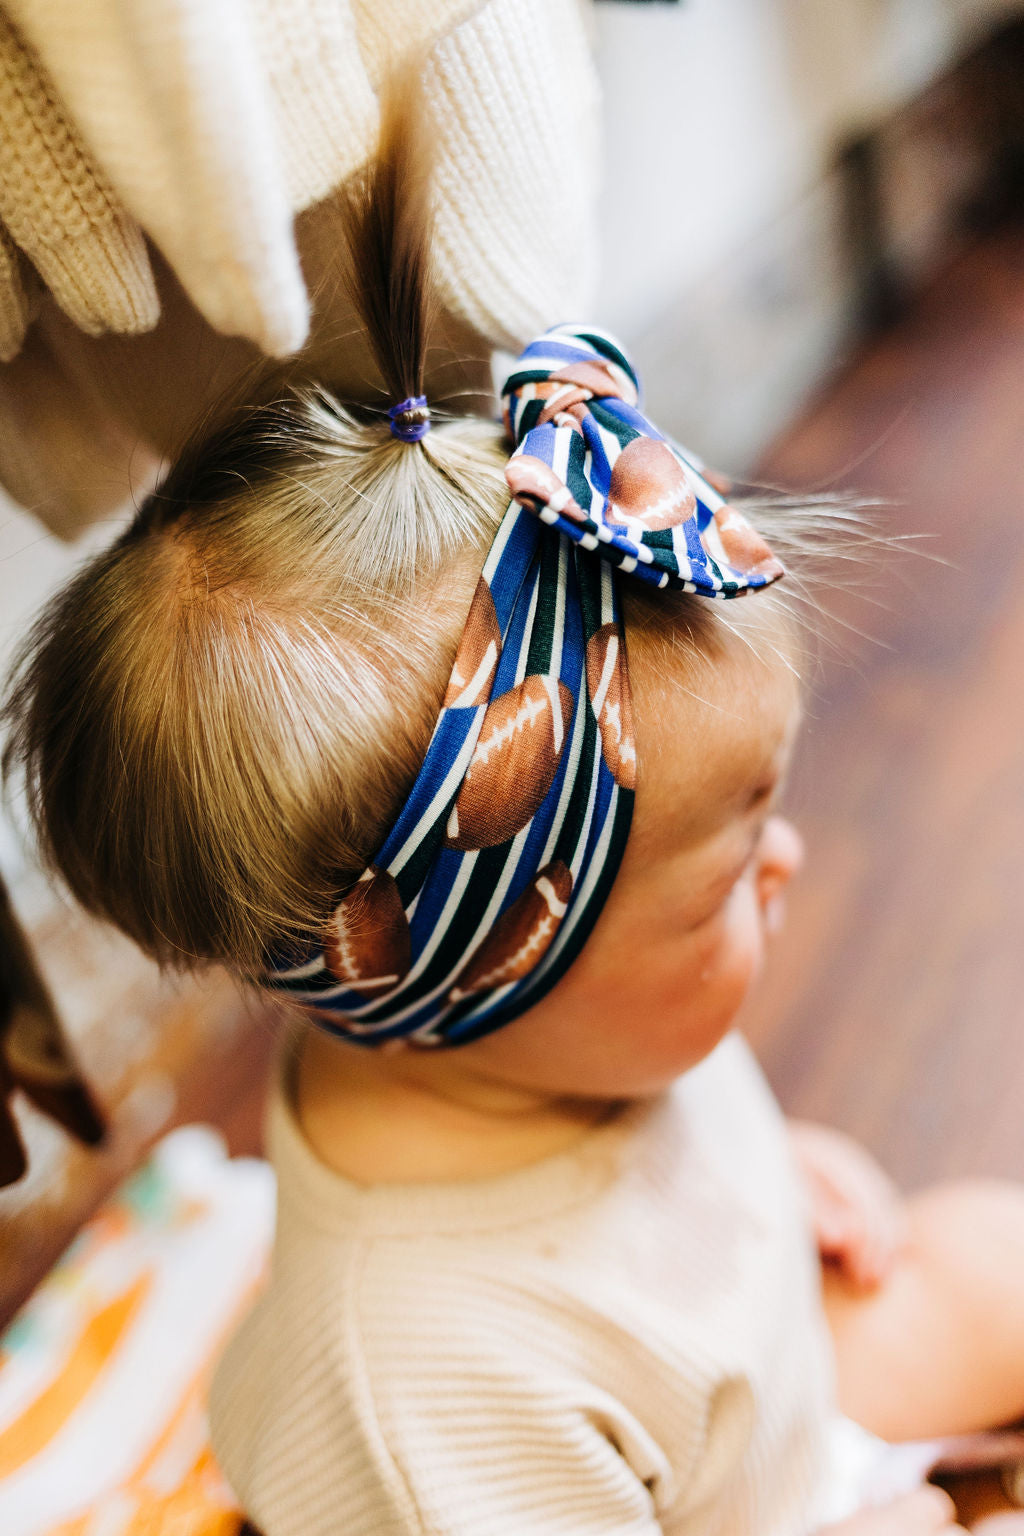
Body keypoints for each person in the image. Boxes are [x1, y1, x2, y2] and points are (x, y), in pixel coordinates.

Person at [6, 82, 1024, 1536]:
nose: (784, 863)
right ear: (490, 966)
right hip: (706, 1497)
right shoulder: (427, 1403)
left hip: (750, 1384)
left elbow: (631, 1164)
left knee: (995, 1257)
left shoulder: (516, 1042)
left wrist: (759, 1189)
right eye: (724, 875)